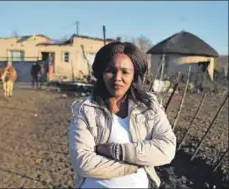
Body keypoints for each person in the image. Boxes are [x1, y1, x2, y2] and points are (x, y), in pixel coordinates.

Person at [69, 41, 176, 188]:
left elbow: (167, 149)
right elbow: (83, 163)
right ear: (101, 72)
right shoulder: (85, 110)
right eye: (111, 71)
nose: (117, 78)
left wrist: (117, 151)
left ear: (134, 76)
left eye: (125, 72)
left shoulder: (148, 106)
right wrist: (133, 166)